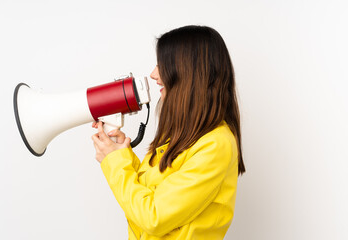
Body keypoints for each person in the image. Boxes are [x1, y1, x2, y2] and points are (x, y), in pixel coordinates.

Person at [91, 25, 245, 240]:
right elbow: (150, 196)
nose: (154, 74)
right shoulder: (183, 136)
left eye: (162, 64)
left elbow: (154, 218)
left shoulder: (215, 145)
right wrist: (121, 155)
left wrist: (114, 163)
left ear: (189, 72)